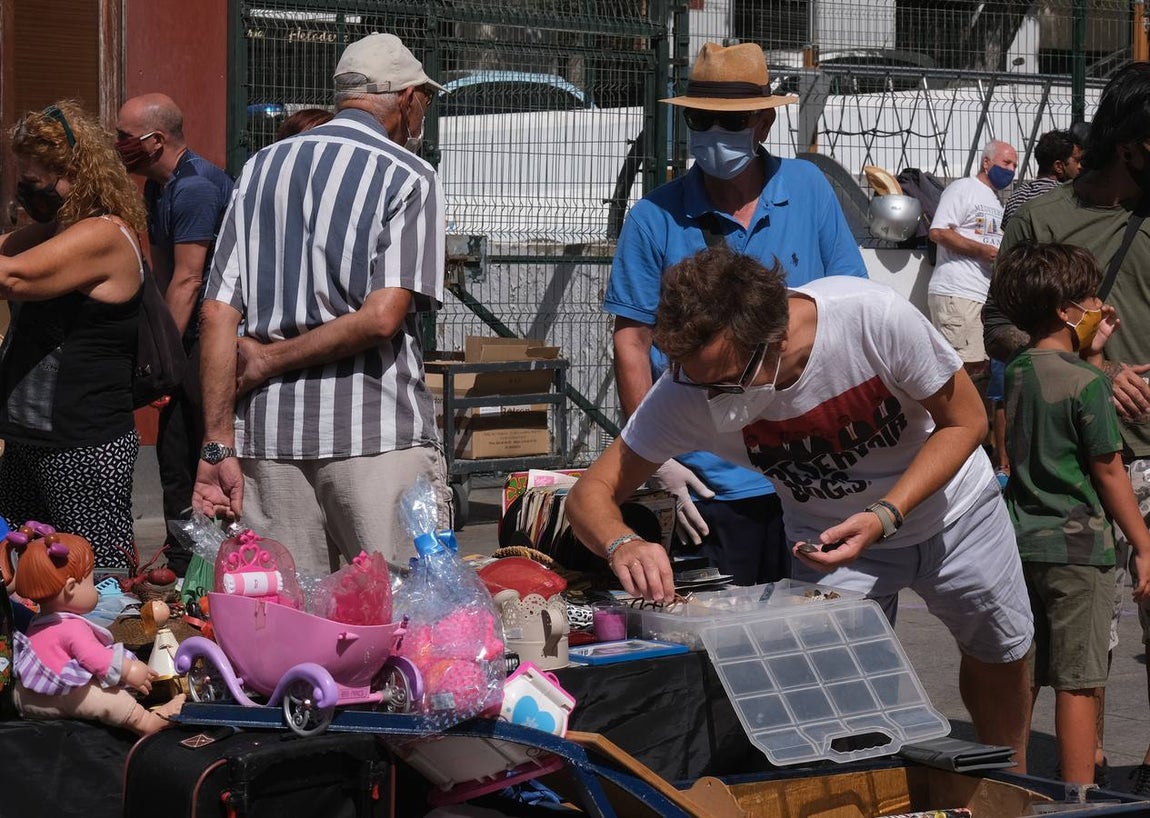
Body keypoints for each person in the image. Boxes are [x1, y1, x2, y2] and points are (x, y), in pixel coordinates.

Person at [566, 246, 1034, 770]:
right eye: (698, 381)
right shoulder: (686, 390)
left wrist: (885, 513)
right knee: (838, 699)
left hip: (956, 514)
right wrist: (622, 540)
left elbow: (964, 422)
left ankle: (1010, 786)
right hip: (832, 545)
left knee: (1001, 654)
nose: (714, 397)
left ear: (778, 335)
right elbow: (589, 494)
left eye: (727, 379)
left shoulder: (871, 317)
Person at [605, 41, 867, 586]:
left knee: (813, 635)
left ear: (763, 124)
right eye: (702, 119)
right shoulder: (654, 217)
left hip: (810, 469)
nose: (715, 135)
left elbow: (850, 307)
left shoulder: (808, 188)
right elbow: (631, 340)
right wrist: (653, 458)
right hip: (708, 483)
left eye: (731, 122)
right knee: (719, 644)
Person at [194, 32, 451, 575]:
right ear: (406, 99)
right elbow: (382, 317)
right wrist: (270, 358)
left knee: (289, 623)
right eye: (424, 99)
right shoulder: (409, 174)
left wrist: (217, 444)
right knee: (402, 618)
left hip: (268, 438)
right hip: (373, 435)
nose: (422, 111)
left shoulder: (262, 166)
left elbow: (217, 312)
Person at [984, 62, 1150, 793]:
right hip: (1084, 464)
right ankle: (1088, 774)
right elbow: (999, 323)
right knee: (1088, 637)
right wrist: (1092, 370)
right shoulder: (1043, 219)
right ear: (1133, 143)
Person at [0, 101, 147, 573]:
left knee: (92, 580)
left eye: (37, 181)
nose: (28, 192)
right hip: (26, 435)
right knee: (27, 575)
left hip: (81, 441)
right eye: (23, 179)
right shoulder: (51, 231)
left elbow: (14, 278)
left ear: (77, 175)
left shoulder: (105, 234)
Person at [115, 93, 234, 577]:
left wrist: (159, 362)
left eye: (123, 136)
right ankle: (183, 551)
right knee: (172, 444)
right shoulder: (157, 189)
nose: (117, 144)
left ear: (155, 139)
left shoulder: (196, 188)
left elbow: (188, 279)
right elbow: (163, 272)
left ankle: (211, 559)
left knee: (199, 439)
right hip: (182, 330)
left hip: (212, 331)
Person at [0, 522, 184, 735]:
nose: (95, 588)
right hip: (56, 694)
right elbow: (94, 658)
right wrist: (129, 670)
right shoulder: (70, 627)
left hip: (27, 694)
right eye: (90, 581)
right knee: (106, 699)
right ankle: (146, 722)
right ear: (70, 588)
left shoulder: (40, 620)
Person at [928, 139, 1017, 376]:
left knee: (978, 368)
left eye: (1014, 166)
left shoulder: (997, 202)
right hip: (959, 292)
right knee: (960, 370)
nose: (1010, 170)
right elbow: (938, 232)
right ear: (986, 162)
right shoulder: (963, 188)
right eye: (1006, 162)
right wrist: (980, 250)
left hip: (980, 296)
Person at [1002, 130, 1083, 226]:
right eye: (1077, 161)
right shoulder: (1067, 198)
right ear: (1058, 166)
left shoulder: (1015, 197)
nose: (1081, 166)